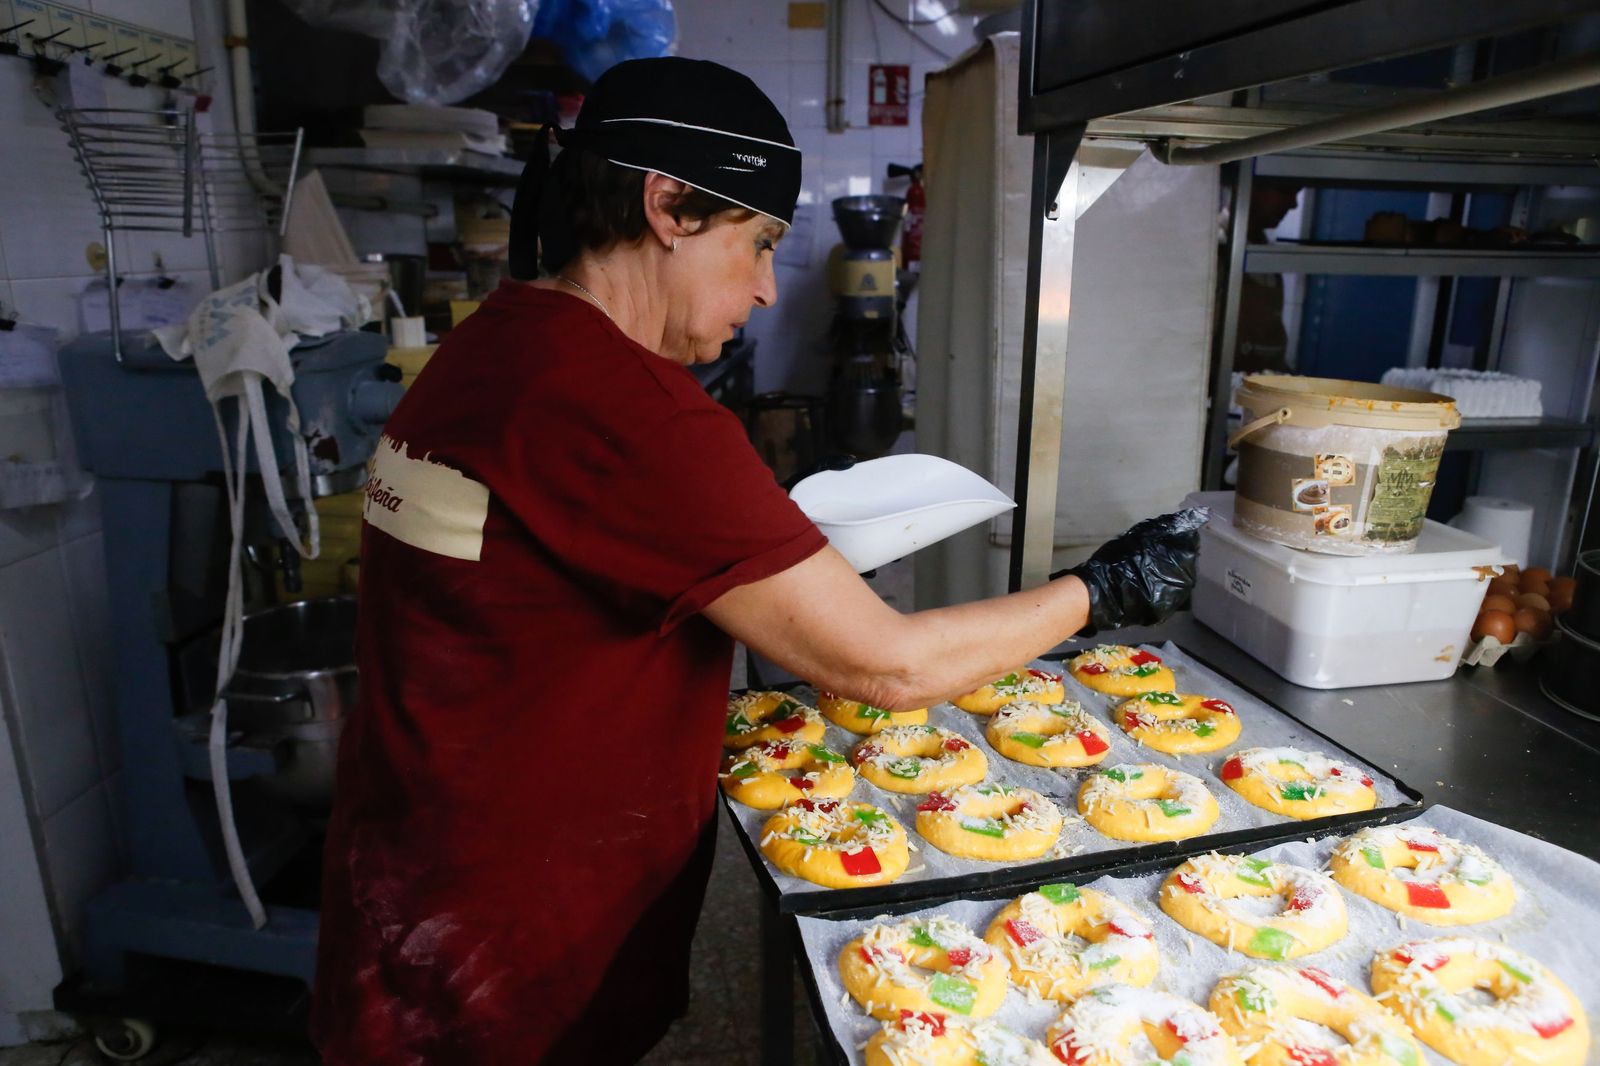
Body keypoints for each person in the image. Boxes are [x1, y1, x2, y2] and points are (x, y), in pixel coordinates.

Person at [312, 57, 1203, 1065]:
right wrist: (1102, 588)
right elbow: (886, 665)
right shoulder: (623, 403)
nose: (770, 289)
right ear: (667, 207)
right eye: (758, 243)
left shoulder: (500, 342)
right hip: (511, 925)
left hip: (417, 862)